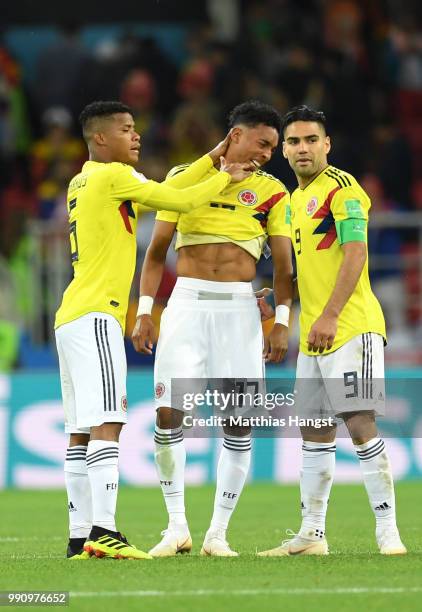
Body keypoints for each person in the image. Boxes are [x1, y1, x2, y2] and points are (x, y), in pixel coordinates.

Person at [54, 100, 253, 560]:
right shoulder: (115, 176)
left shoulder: (81, 180)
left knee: (79, 430)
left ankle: (78, 534)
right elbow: (179, 199)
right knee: (110, 420)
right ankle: (105, 530)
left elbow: (168, 185)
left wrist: (214, 154)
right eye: (126, 129)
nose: (136, 136)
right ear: (101, 139)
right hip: (98, 315)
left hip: (70, 315)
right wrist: (227, 175)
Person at [132, 100, 293, 557]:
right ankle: (176, 526)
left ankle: (217, 534)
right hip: (185, 306)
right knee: (168, 415)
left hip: (240, 313)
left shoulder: (272, 191)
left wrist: (280, 322)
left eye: (273, 147)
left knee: (238, 423)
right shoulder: (187, 176)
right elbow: (156, 250)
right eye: (263, 143)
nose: (267, 153)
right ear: (236, 136)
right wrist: (146, 309)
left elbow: (283, 267)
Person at [257, 105, 406, 556]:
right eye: (294, 142)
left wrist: (329, 315)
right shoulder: (291, 200)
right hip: (316, 333)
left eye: (310, 140)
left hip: (350, 325)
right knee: (314, 429)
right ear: (284, 149)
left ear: (327, 144)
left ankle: (387, 531)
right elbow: (311, 269)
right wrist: (278, 302)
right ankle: (312, 535)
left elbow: (356, 253)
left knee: (359, 420)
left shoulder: (342, 189)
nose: (302, 148)